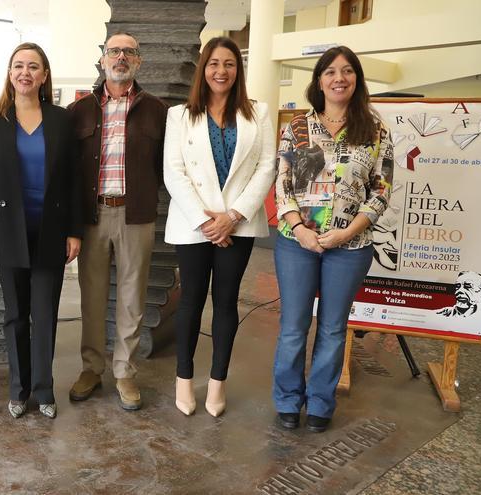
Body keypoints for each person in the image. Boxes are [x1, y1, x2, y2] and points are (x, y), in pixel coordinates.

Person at [272, 45, 394, 433]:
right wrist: (301, 229)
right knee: (293, 326)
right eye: (330, 71)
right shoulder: (296, 128)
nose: (338, 78)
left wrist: (348, 231)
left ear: (356, 79)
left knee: (332, 328)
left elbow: (382, 189)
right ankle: (289, 398)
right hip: (297, 243)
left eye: (347, 71)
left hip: (351, 246)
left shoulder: (375, 129)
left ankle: (321, 402)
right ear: (319, 80)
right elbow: (282, 186)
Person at [163, 37, 276, 417]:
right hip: (195, 224)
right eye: (214, 63)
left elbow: (266, 167)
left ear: (237, 70)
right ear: (203, 69)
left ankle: (217, 384)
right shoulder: (179, 115)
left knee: (226, 302)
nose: (221, 71)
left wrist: (233, 215)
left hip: (237, 225)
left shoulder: (258, 113)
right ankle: (183, 379)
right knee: (192, 300)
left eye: (229, 63)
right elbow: (173, 173)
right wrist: (206, 220)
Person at [0, 42, 82, 419]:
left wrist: (74, 231)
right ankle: (18, 390)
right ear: (9, 72)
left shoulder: (61, 119)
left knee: (45, 313)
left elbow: (72, 181)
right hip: (8, 232)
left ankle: (44, 389)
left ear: (44, 75)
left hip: (50, 229)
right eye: (18, 65)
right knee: (16, 314)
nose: (25, 72)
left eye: (33, 66)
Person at [67, 32, 168, 411]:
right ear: (102, 59)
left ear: (139, 62)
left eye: (129, 52)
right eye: (114, 51)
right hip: (92, 216)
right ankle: (92, 368)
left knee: (131, 295)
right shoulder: (79, 111)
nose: (121, 57)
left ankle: (124, 370)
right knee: (92, 296)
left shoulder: (157, 110)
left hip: (136, 214)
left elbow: (166, 168)